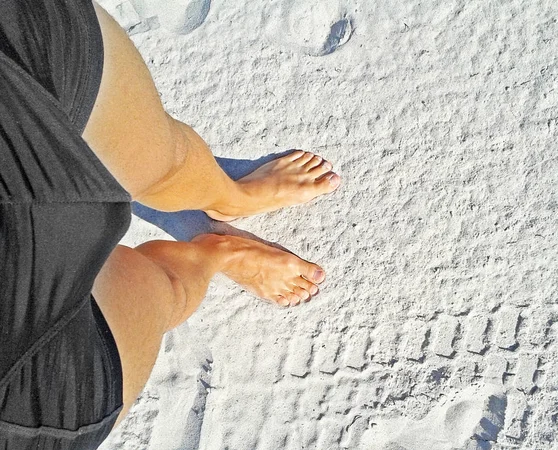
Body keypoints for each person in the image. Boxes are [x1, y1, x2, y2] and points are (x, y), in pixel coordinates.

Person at [0, 0, 340, 448]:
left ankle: (228, 199)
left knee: (160, 162)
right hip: (20, 383)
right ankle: (217, 251)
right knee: (161, 286)